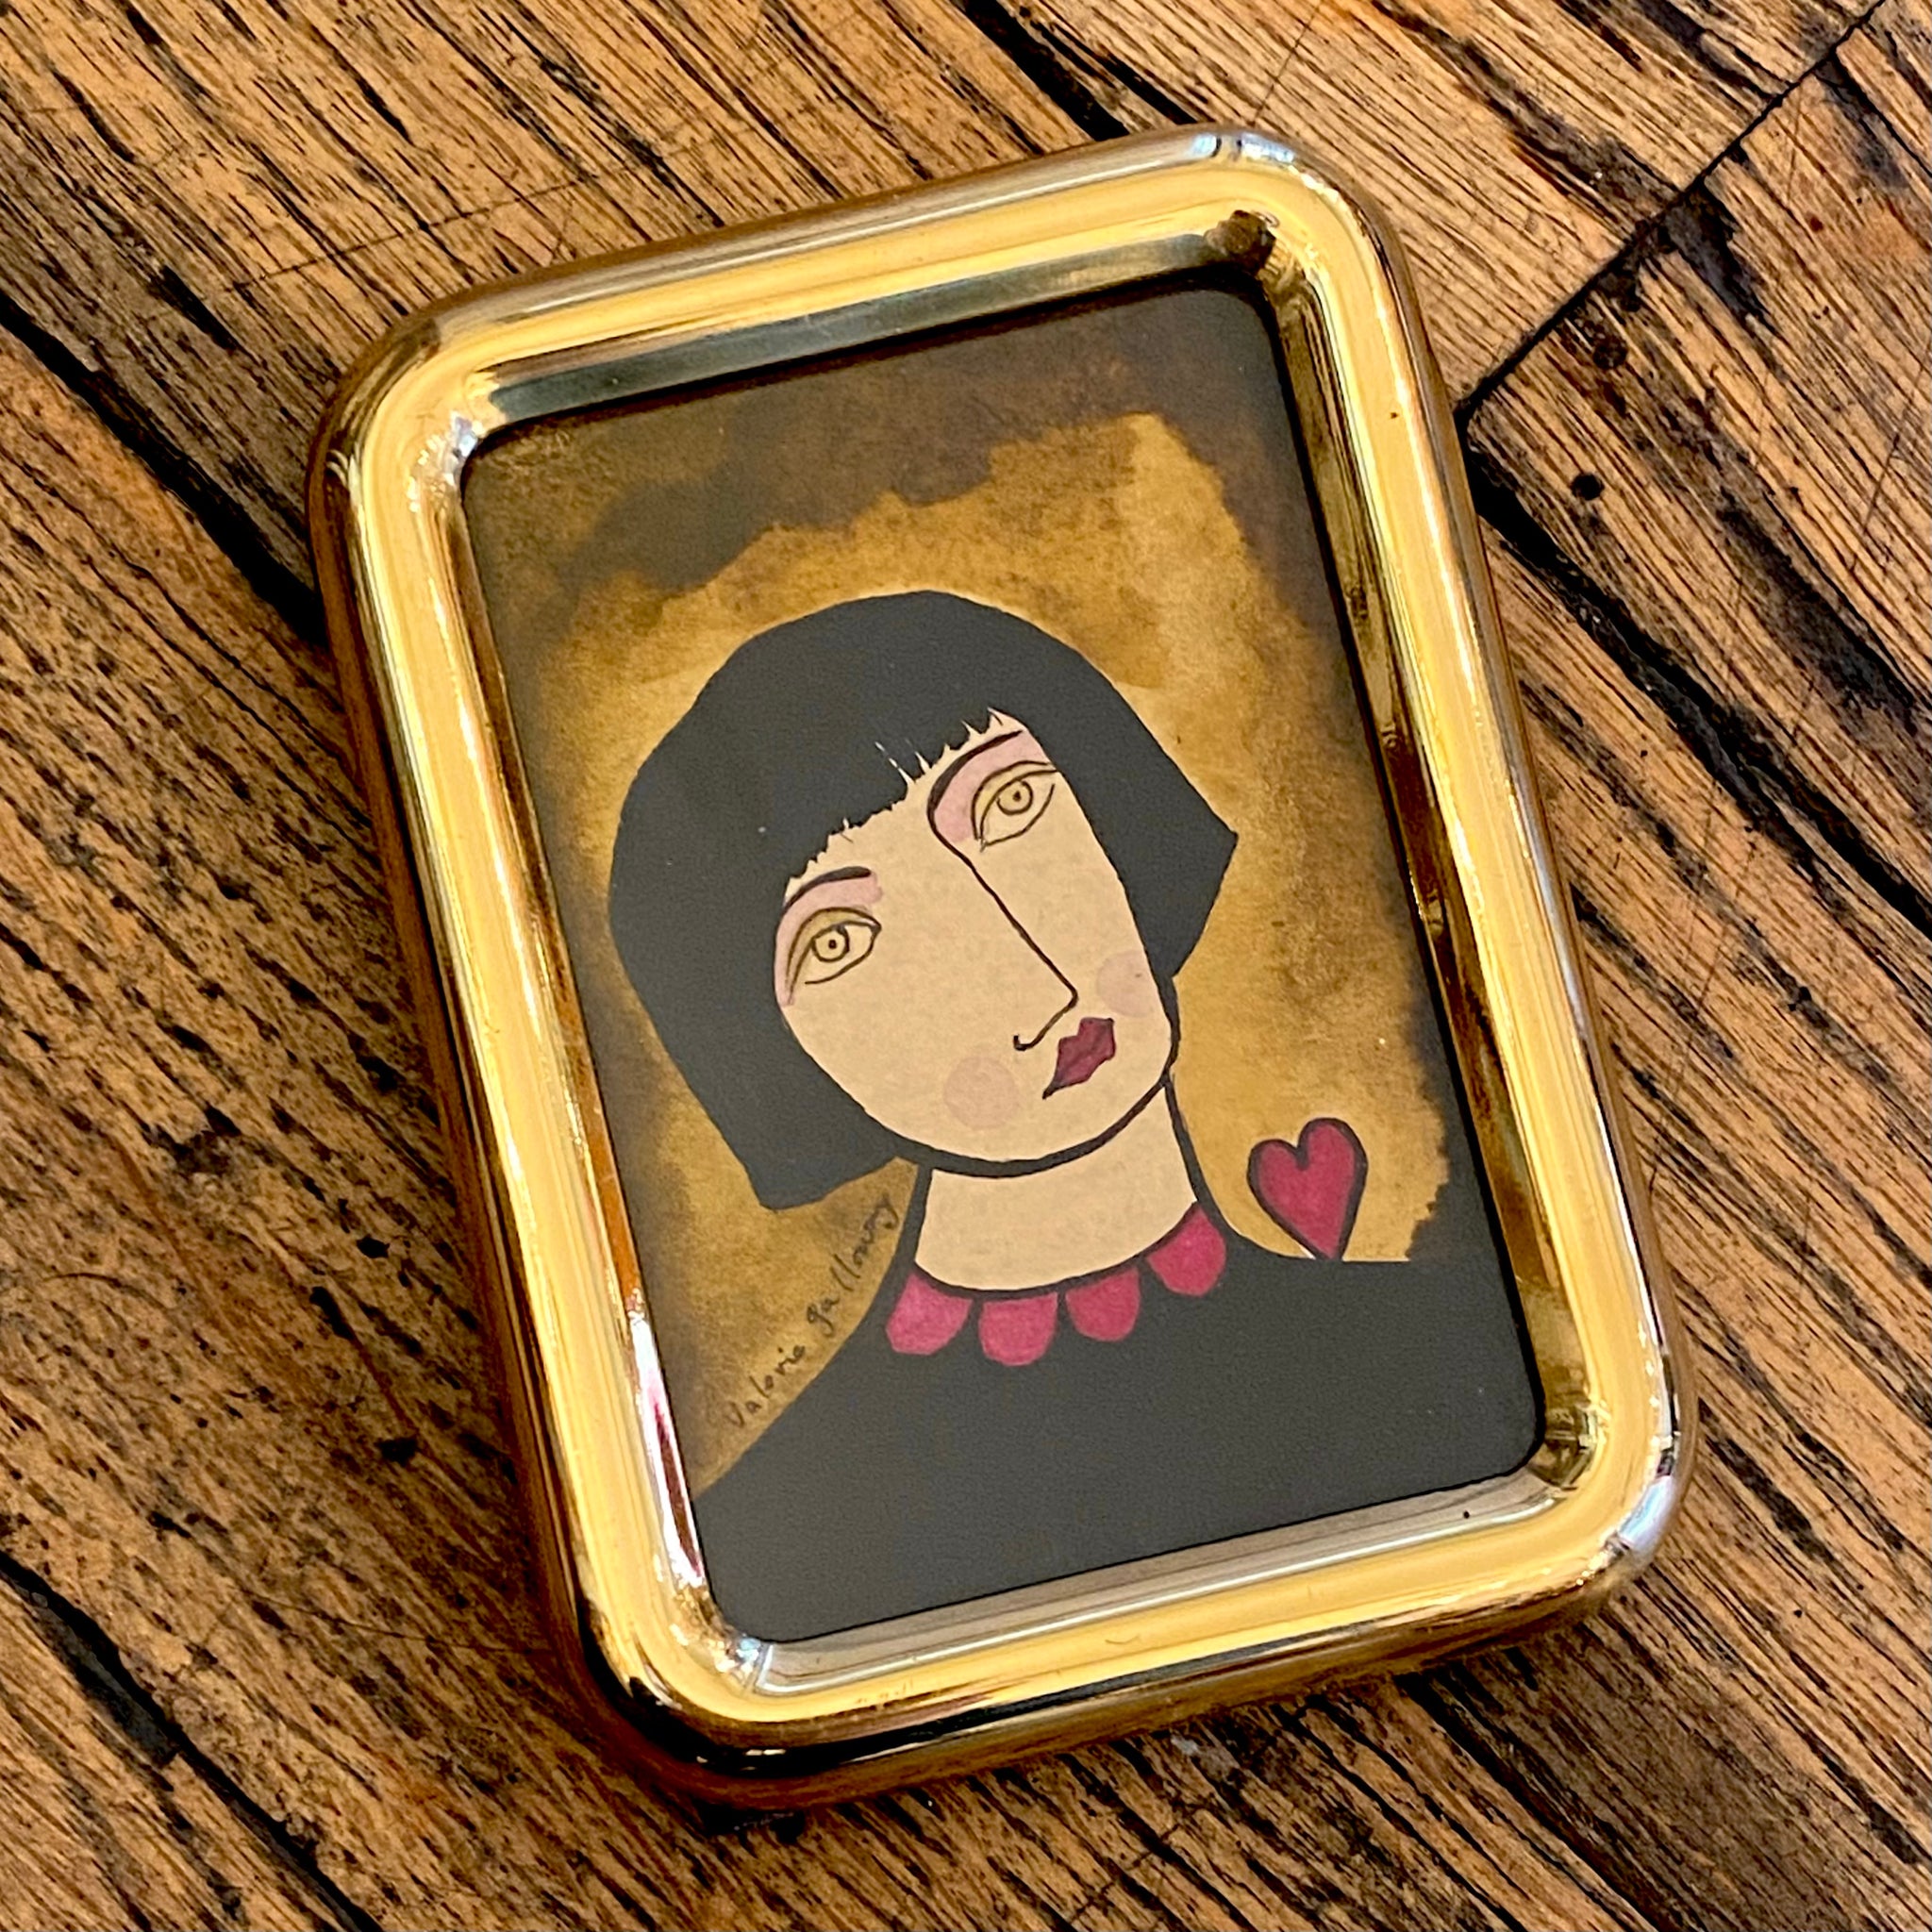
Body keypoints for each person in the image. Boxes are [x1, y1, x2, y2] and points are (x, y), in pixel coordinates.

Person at [610, 592, 1538, 1641]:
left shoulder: (1454, 1361)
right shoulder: (776, 1551)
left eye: (1010, 807)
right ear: (767, 1058)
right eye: (841, 942)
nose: (1038, 985)